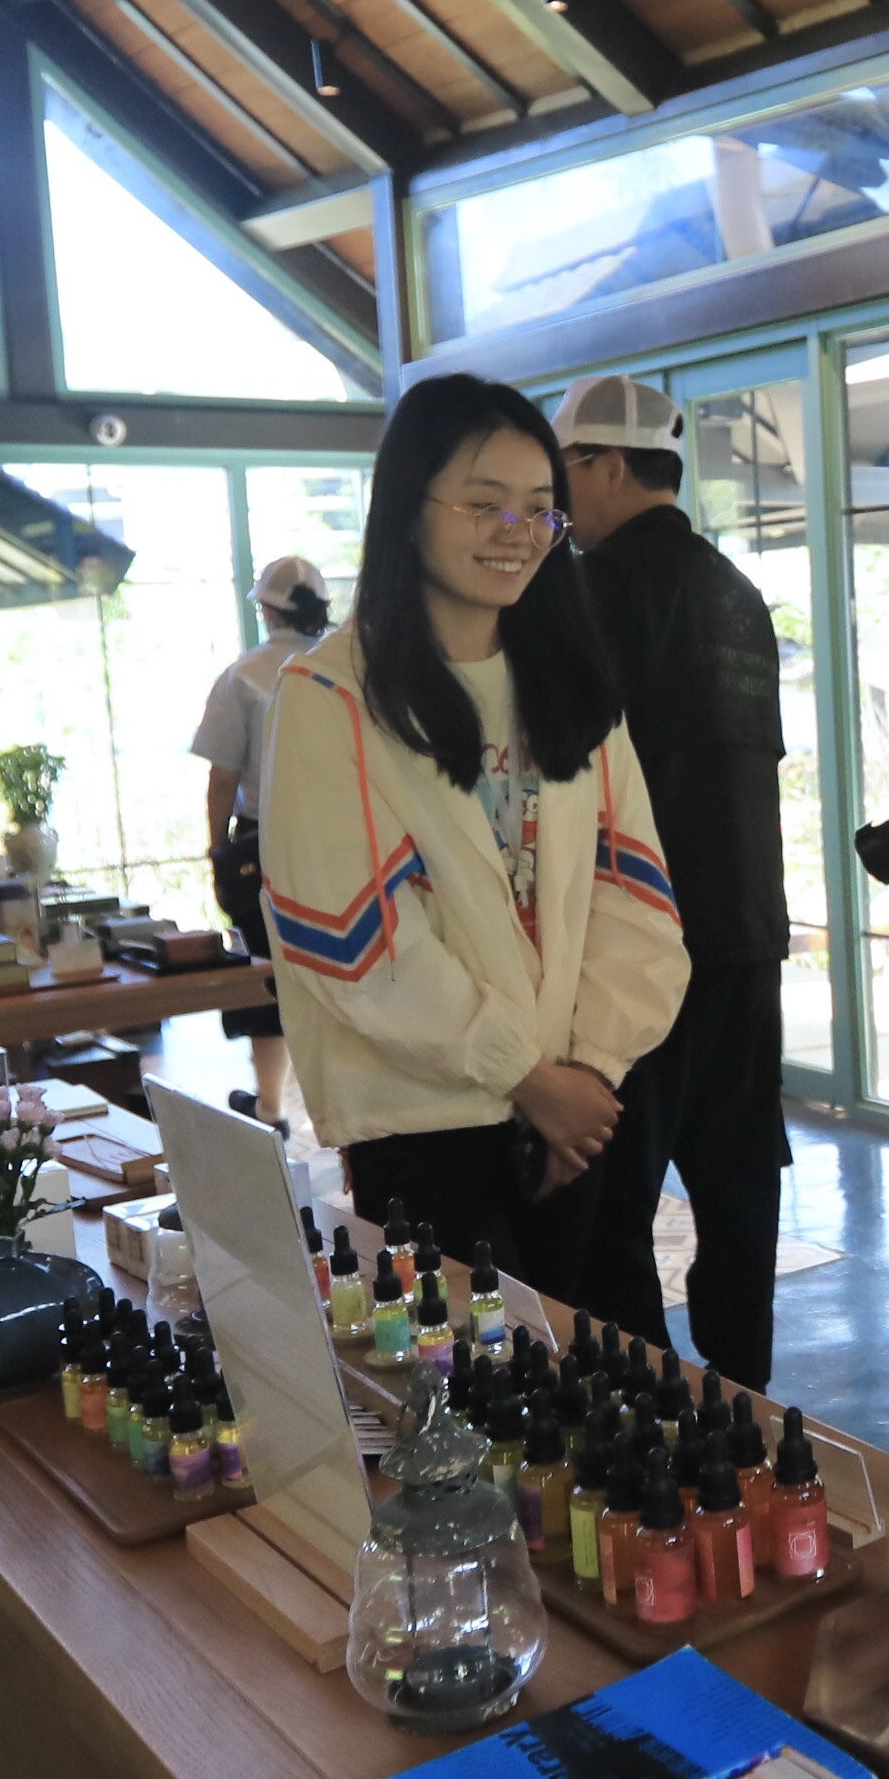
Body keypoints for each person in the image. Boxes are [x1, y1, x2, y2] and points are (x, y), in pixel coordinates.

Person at [260, 377, 688, 1298]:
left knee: (597, 1370)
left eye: (540, 508)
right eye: (484, 504)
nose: (516, 532)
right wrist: (528, 1077)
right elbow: (356, 942)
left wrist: (586, 1074)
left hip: (578, 1111)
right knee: (473, 1384)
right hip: (424, 1124)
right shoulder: (331, 696)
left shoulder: (569, 682)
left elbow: (637, 897)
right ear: (407, 509)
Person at [554, 372, 789, 1392]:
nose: (557, 499)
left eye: (564, 470)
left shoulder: (584, 593)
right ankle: (745, 1403)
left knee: (611, 1202)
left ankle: (647, 1410)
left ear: (608, 464)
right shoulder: (737, 593)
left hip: (637, 944)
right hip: (748, 932)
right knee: (739, 1189)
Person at [189, 552, 328, 1130]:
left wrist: (217, 848)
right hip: (342, 842)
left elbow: (223, 777)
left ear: (267, 611)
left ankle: (271, 1105)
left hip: (263, 845)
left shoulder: (243, 676)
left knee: (265, 971)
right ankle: (338, 1103)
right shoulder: (347, 667)